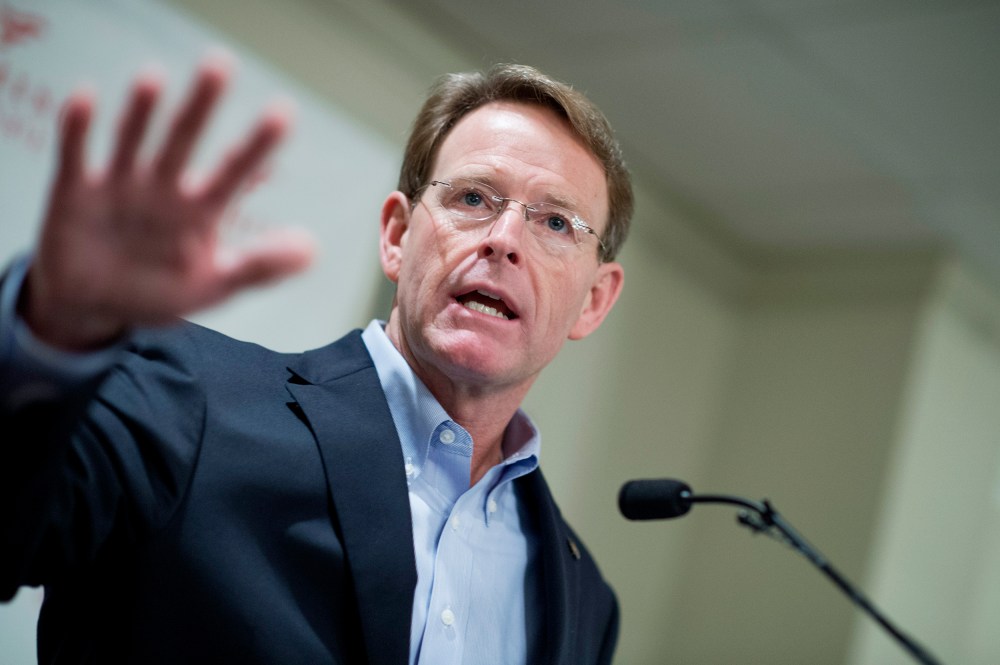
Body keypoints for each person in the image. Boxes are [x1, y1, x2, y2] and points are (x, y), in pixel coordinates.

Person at [0, 51, 631, 664]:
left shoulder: (586, 602)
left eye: (556, 224)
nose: (504, 240)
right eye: (473, 198)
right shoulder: (187, 397)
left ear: (594, 302)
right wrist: (51, 338)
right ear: (396, 236)